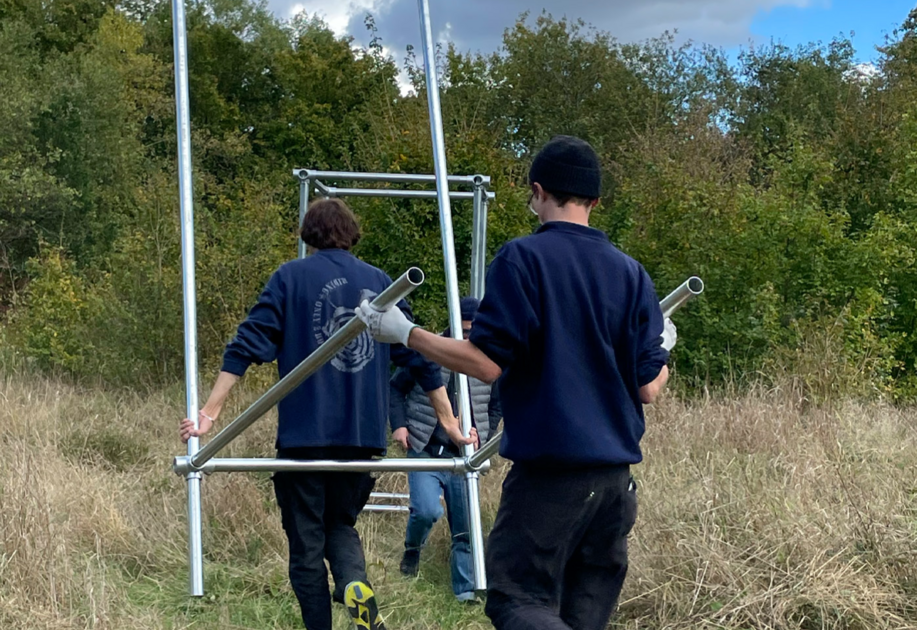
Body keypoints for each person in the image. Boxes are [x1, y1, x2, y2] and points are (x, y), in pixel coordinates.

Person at [356, 135, 677, 630]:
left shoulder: (523, 259)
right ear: (595, 200)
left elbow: (486, 364)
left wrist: (406, 333)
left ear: (538, 190)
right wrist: (664, 346)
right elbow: (650, 387)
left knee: (516, 600)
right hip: (615, 486)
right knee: (580, 616)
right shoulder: (632, 274)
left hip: (552, 477)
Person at [179, 198, 471, 630]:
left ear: (308, 234)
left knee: (306, 545)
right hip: (362, 440)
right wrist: (448, 420)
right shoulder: (379, 282)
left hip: (304, 440)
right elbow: (421, 359)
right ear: (352, 233)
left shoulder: (290, 278)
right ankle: (355, 582)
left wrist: (210, 412)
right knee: (340, 524)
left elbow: (246, 346)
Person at [388, 296, 501, 603]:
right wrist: (399, 426)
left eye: (472, 331)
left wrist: (485, 434)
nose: (467, 337)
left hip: (465, 457)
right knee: (426, 511)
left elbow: (496, 405)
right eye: (462, 330)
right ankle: (413, 549)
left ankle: (464, 591)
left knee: (465, 528)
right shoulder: (428, 353)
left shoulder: (489, 360)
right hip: (426, 449)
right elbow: (396, 389)